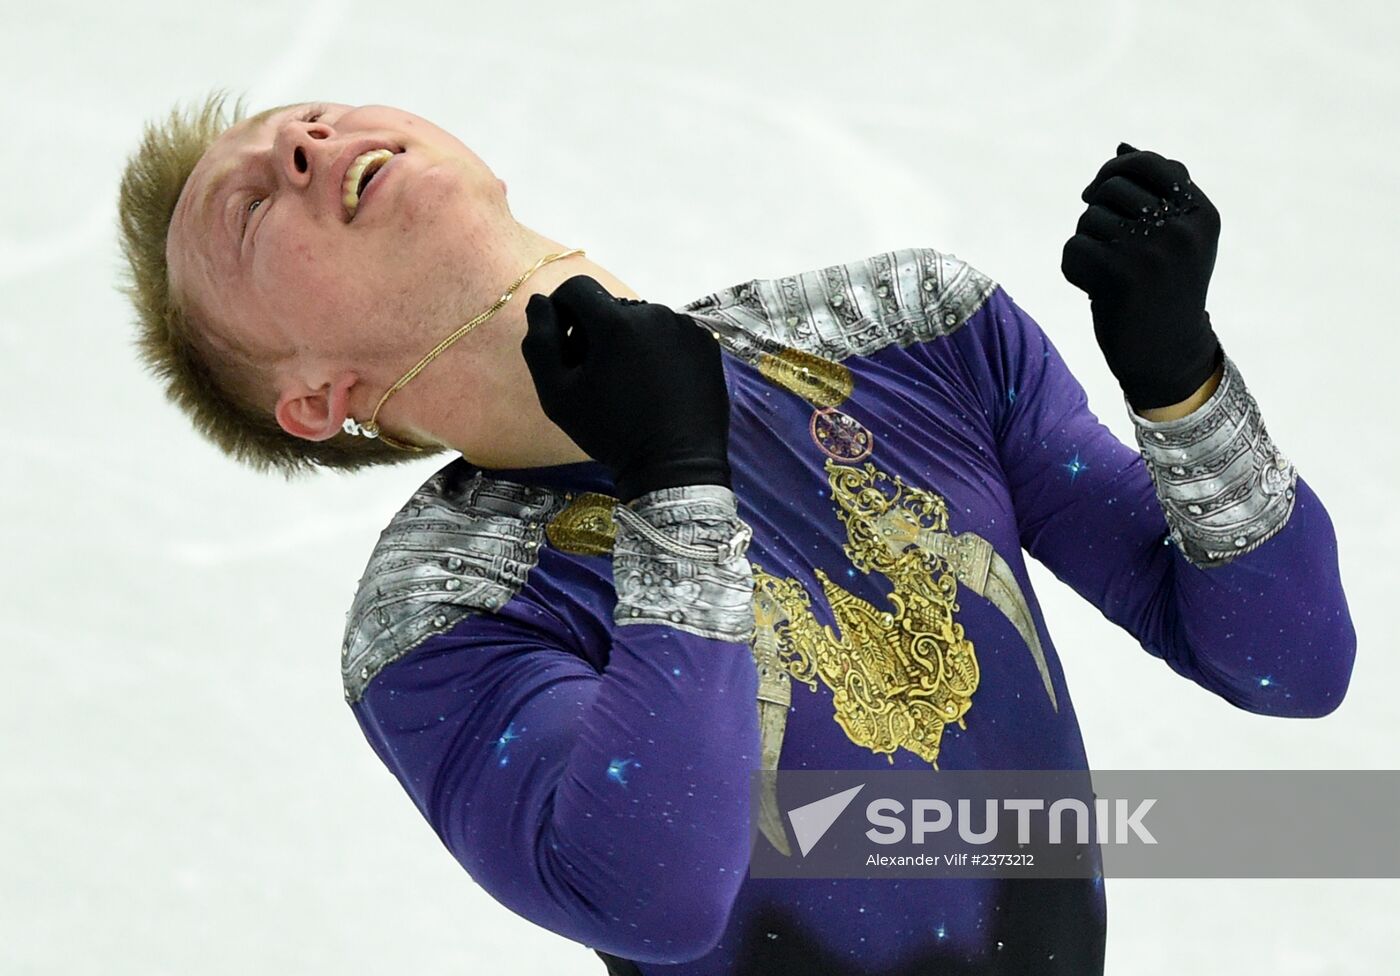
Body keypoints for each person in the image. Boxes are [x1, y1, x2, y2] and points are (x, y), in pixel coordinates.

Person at [118, 95, 1356, 975]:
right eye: (244, 208)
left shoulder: (908, 330)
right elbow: (653, 891)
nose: (301, 142)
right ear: (320, 401)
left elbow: (1287, 665)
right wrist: (675, 488)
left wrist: (1178, 381)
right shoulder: (440, 619)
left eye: (311, 115)